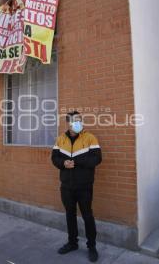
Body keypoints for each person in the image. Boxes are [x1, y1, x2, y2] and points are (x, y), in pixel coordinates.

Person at [51, 111, 102, 262]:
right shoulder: (60, 139)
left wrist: (78, 162)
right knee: (70, 215)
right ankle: (72, 243)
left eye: (80, 120)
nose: (78, 123)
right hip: (66, 185)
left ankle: (92, 246)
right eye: (75, 120)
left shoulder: (90, 138)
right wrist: (63, 163)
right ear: (69, 123)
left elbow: (97, 158)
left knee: (87, 215)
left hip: (84, 185)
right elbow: (54, 158)